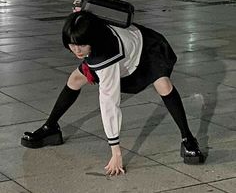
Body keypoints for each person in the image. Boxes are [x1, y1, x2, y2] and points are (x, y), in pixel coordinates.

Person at [21, 10, 204, 176]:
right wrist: (80, 15)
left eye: (80, 45)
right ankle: (50, 128)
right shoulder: (91, 32)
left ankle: (188, 138)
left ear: (91, 40)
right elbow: (89, 19)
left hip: (145, 50)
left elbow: (109, 103)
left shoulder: (105, 56)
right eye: (71, 44)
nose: (76, 50)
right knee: (75, 80)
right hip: (115, 51)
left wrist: (115, 151)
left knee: (163, 84)